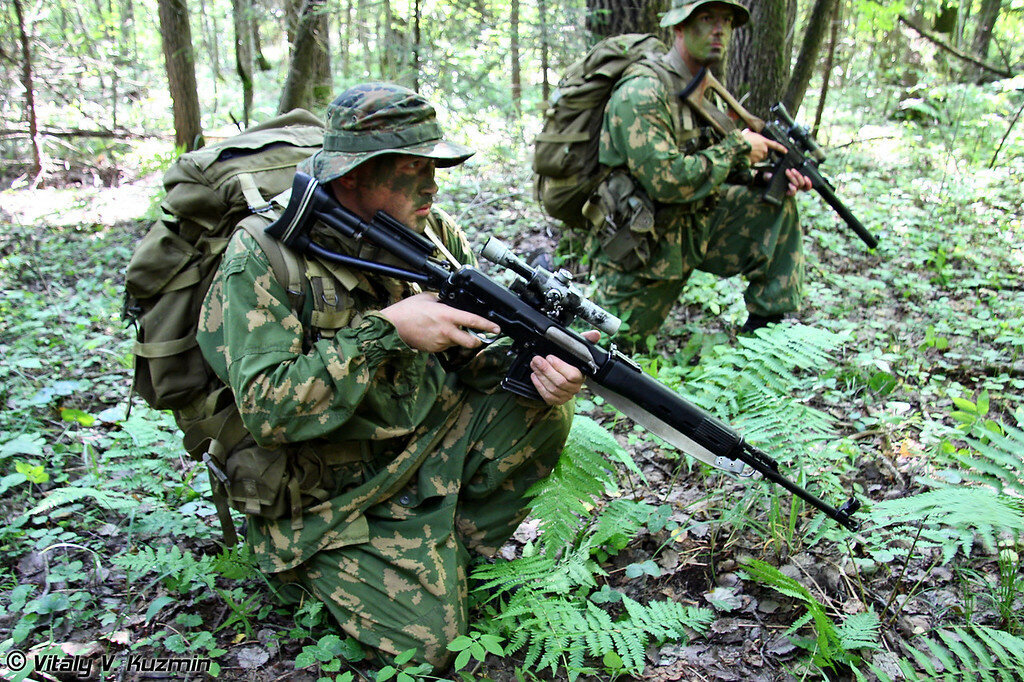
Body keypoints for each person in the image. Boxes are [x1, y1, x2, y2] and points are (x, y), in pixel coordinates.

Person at [196, 83, 595, 669]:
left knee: (537, 401)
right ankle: (308, 570)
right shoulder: (264, 255)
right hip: (322, 496)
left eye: (436, 166)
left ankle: (448, 554)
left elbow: (471, 353)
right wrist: (386, 330)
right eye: (412, 170)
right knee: (429, 648)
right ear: (352, 175)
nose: (432, 184)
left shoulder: (431, 234)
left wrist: (535, 363)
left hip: (415, 450)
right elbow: (268, 410)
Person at [582, 0, 813, 347]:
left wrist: (761, 177)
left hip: (690, 231)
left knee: (774, 207)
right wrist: (738, 148)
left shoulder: (700, 88)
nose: (719, 29)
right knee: (610, 353)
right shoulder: (643, 89)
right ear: (679, 27)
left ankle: (764, 344)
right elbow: (666, 180)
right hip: (642, 248)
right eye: (706, 18)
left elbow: (709, 161)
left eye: (727, 21)